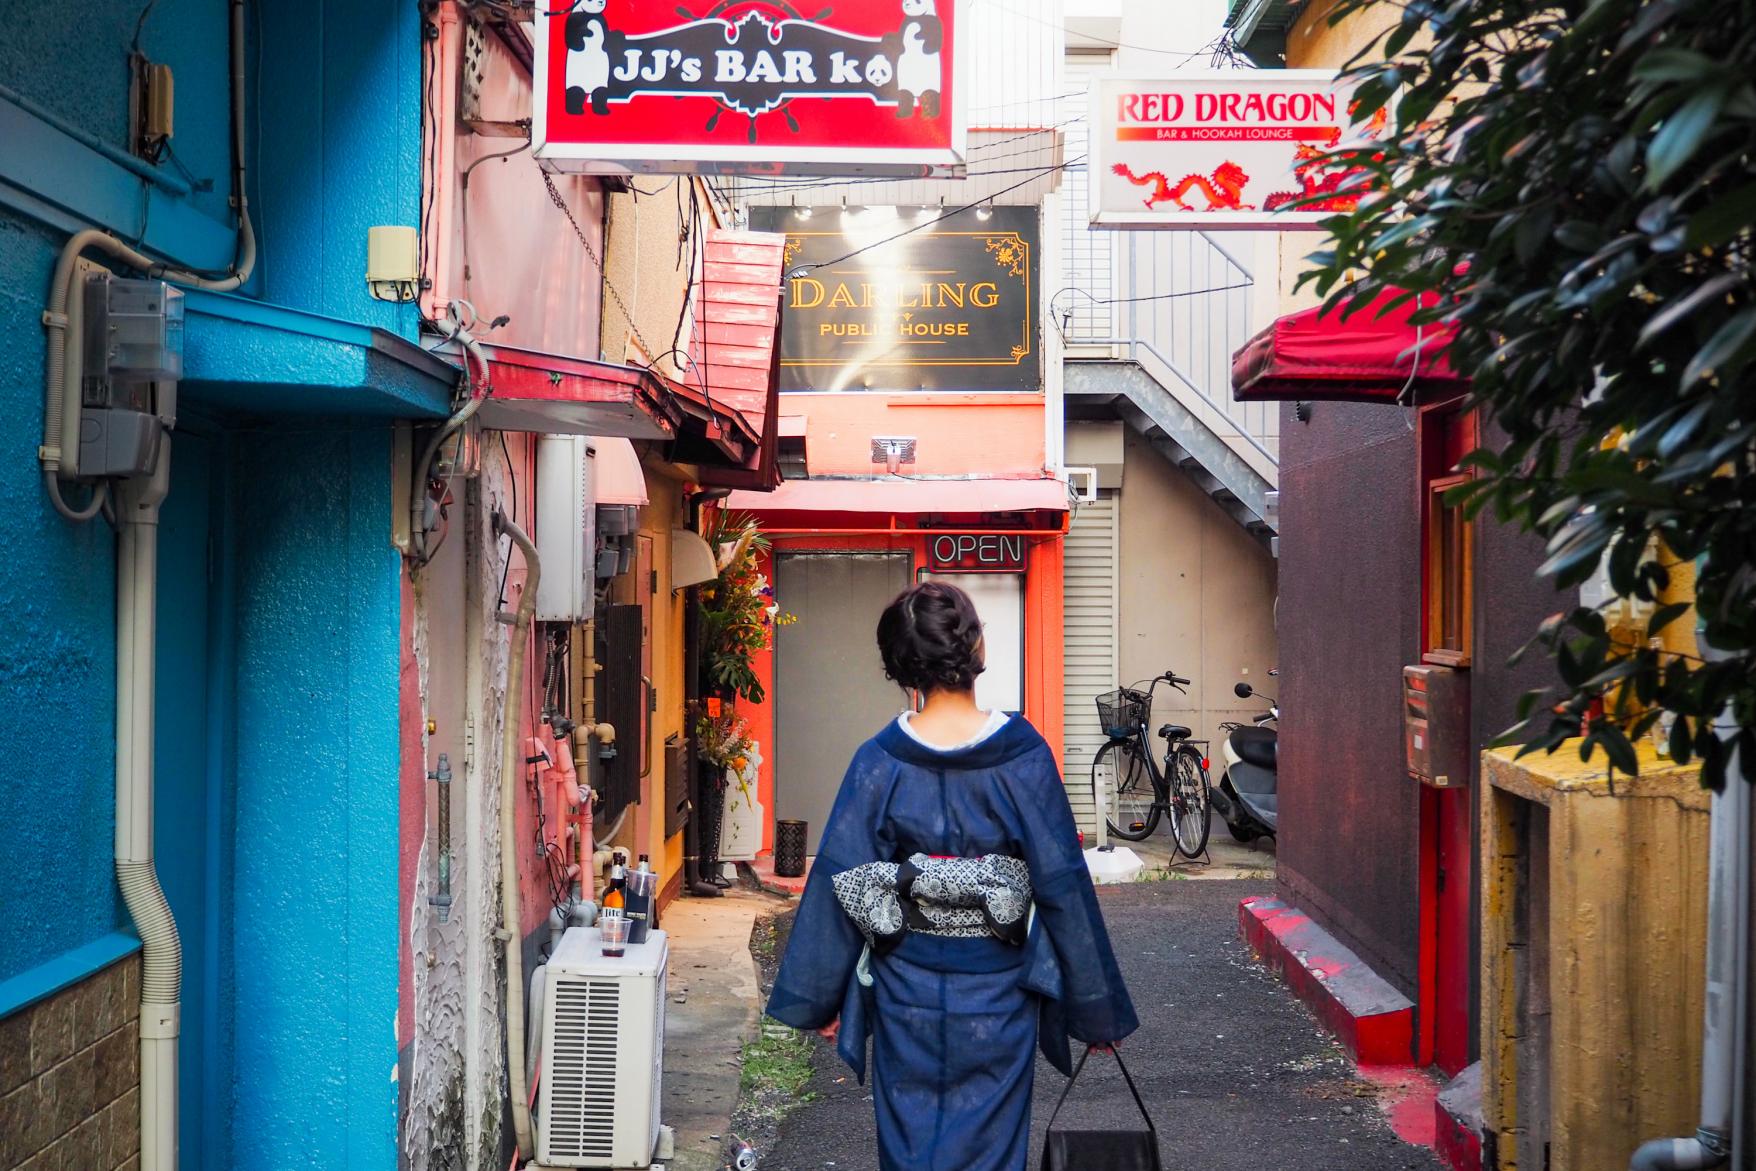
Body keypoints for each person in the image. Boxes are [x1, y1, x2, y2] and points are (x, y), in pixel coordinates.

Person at [766, 581, 1137, 1171]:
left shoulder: (880, 760)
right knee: (990, 1147)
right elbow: (1062, 886)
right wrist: (1096, 1010)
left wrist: (820, 996)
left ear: (899, 665)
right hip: (998, 992)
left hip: (904, 989)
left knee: (910, 1146)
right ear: (975, 651)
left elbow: (841, 871)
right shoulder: (1022, 755)